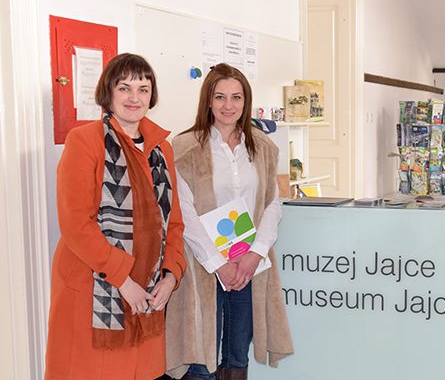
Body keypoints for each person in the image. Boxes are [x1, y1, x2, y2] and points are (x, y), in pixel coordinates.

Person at [45, 53, 187, 379]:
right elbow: (76, 224)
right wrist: (123, 280)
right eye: (124, 88)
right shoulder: (84, 141)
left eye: (143, 89)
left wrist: (170, 277)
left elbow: (174, 223)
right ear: (108, 92)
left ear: (152, 96)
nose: (134, 97)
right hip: (95, 292)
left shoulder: (162, 149)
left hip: (147, 293)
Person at [165, 63, 293, 380]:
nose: (228, 105)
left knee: (236, 354)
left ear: (245, 101)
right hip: (202, 266)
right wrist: (217, 263)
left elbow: (272, 203)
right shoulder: (184, 148)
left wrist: (255, 254)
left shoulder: (263, 146)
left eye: (236, 97)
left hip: (247, 265)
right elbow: (183, 211)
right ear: (207, 100)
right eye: (220, 96)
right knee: (200, 356)